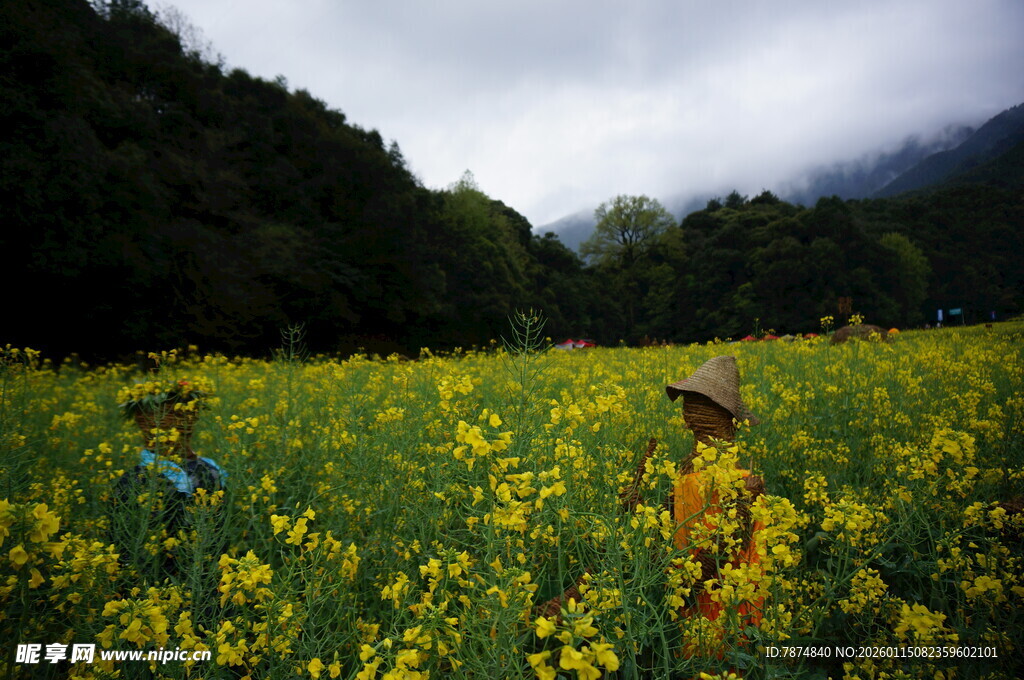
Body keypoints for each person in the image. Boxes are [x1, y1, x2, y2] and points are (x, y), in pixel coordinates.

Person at [665, 355, 765, 654]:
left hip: (730, 600)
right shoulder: (685, 478)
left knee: (724, 651)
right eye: (690, 405)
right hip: (695, 600)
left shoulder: (743, 483)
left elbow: (731, 548)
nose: (690, 413)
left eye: (697, 405)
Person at [109, 378, 226, 579]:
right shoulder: (136, 480)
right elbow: (126, 545)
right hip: (156, 579)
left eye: (183, 412)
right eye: (168, 414)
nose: (179, 421)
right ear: (142, 420)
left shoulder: (210, 470)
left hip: (207, 578)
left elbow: (222, 531)